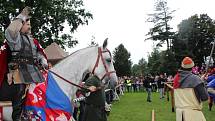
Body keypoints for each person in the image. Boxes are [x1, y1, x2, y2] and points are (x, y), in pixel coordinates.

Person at [4, 6, 47, 120]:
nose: (30, 26)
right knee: (20, 92)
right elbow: (10, 30)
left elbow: (38, 54)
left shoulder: (33, 40)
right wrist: (22, 16)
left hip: (34, 72)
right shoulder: (15, 38)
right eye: (27, 24)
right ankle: (17, 117)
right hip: (19, 72)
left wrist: (42, 60)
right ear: (21, 25)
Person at [173, 57, 208, 121]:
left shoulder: (176, 78)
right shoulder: (196, 79)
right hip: (193, 115)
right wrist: (202, 82)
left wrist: (200, 80)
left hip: (180, 115)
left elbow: (189, 82)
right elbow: (205, 97)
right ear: (192, 67)